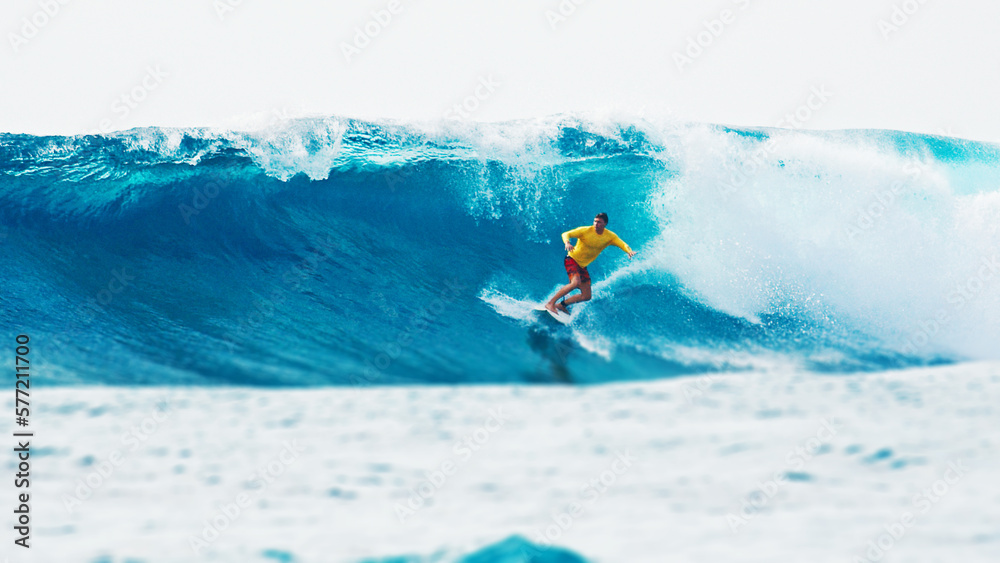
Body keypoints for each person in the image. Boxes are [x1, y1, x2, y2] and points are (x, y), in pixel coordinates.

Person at [545, 212, 637, 315]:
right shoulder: (585, 230)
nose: (596, 224)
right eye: (595, 221)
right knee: (575, 283)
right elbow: (566, 234)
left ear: (605, 224)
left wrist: (629, 251)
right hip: (572, 259)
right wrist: (567, 242)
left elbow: (622, 244)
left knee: (586, 296)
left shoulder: (610, 236)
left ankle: (562, 305)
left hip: (582, 266)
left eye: (599, 222)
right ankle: (550, 303)